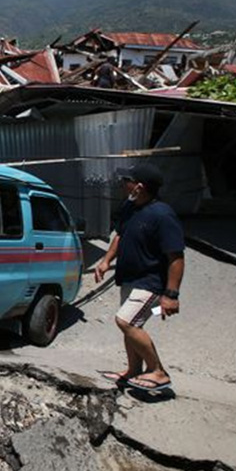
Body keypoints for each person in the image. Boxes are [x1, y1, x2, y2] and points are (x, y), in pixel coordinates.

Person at [94, 163, 185, 392]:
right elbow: (120, 236)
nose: (123, 184)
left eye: (127, 181)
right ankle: (133, 370)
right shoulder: (131, 207)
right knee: (130, 327)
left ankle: (159, 372)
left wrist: (171, 295)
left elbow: (176, 257)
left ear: (139, 186)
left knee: (126, 321)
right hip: (130, 279)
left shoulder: (163, 215)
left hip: (151, 282)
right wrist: (106, 261)